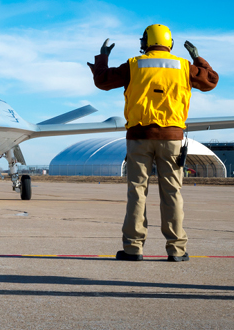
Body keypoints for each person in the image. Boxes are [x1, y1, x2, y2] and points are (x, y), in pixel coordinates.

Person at [88, 24, 218, 262]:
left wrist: (103, 57)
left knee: (137, 192)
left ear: (145, 42)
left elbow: (102, 81)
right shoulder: (183, 67)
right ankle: (177, 250)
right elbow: (210, 81)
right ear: (170, 44)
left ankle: (133, 248)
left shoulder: (134, 65)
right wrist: (197, 57)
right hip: (172, 138)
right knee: (172, 193)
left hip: (139, 137)